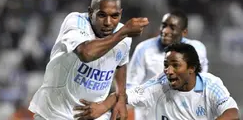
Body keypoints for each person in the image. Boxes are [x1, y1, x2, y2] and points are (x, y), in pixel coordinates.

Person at [28, 0, 149, 120]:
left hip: (94, 114)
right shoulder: (75, 21)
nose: (108, 22)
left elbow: (121, 64)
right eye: (102, 15)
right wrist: (122, 32)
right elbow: (86, 53)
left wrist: (120, 99)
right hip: (55, 113)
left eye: (114, 16)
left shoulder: (124, 36)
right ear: (91, 12)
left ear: (120, 14)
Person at [74, 43, 239, 120]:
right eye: (166, 65)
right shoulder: (160, 85)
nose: (169, 70)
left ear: (192, 68)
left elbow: (232, 114)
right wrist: (103, 106)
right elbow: (123, 96)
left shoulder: (211, 85)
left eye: (176, 65)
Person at [126, 10, 209, 120]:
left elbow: (201, 82)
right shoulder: (144, 49)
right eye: (164, 25)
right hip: (149, 113)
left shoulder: (198, 49)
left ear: (184, 32)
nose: (165, 31)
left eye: (172, 27)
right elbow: (131, 84)